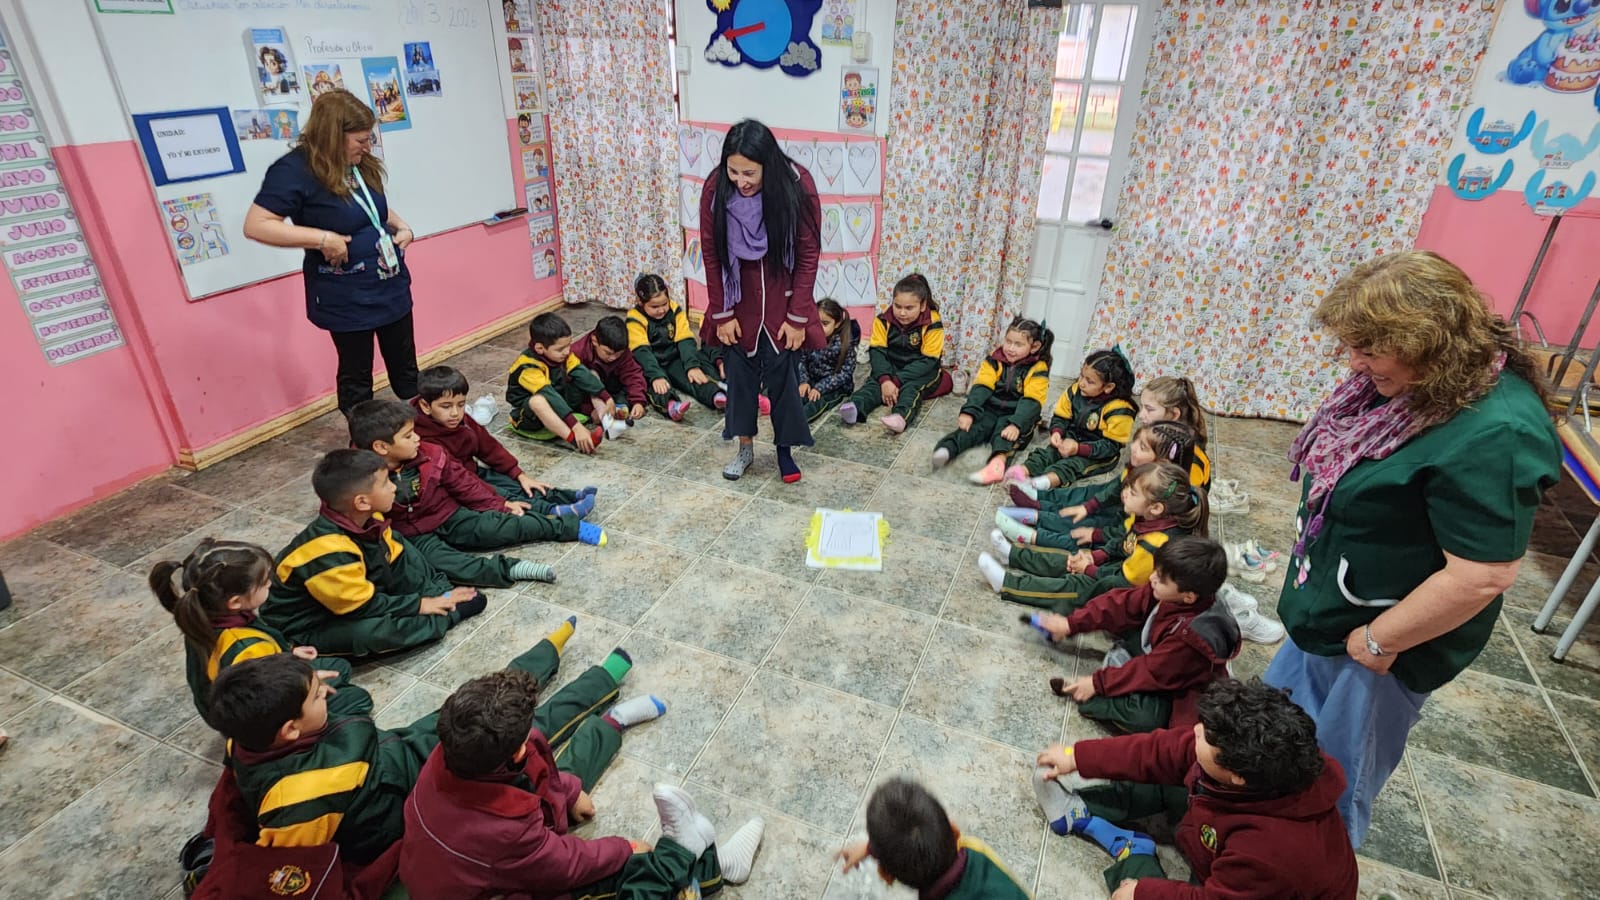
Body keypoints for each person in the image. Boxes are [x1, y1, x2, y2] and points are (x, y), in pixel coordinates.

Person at [1262, 250, 1560, 846]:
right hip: (1330, 612)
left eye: (1370, 349)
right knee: (1271, 745)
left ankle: (1306, 868)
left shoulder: (1497, 432)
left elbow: (1483, 576)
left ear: (1427, 342)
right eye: (1352, 347)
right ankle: (1259, 836)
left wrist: (1378, 641)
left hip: (1377, 644)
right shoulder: (1414, 384)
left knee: (1329, 781)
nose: (1355, 362)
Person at [207, 619, 653, 865]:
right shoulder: (301, 801)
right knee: (532, 731)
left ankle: (546, 652)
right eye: (316, 695)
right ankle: (602, 685)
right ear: (289, 729)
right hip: (423, 784)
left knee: (484, 695)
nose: (327, 691)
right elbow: (287, 870)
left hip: (401, 749)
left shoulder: (249, 741)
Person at [399, 668, 766, 898]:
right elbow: (564, 864)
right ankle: (696, 858)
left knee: (562, 778)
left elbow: (541, 766)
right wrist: (624, 849)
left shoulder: (455, 749)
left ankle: (611, 723)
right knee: (631, 873)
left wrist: (570, 793)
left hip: (481, 858)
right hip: (493, 884)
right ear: (514, 753)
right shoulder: (504, 833)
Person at [1032, 678, 1358, 899]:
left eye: (1206, 736)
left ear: (1237, 775)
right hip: (1228, 853)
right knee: (1174, 772)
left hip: (1247, 888)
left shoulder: (1269, 854)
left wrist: (1142, 892)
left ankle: (1134, 855)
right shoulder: (1260, 762)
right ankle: (1082, 810)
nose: (1197, 730)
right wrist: (1078, 757)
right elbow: (1163, 751)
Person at [245, 90, 418, 417]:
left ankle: (424, 429)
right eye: (360, 140)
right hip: (346, 293)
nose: (367, 147)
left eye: (369, 139)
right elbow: (257, 225)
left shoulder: (358, 163)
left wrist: (402, 225)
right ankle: (364, 438)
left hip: (389, 282)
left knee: (405, 365)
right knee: (357, 373)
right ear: (333, 135)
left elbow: (370, 207)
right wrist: (323, 239)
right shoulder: (294, 170)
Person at [349, 400, 602, 589]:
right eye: (407, 436)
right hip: (411, 536)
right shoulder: (356, 477)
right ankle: (513, 569)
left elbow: (465, 484)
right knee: (448, 564)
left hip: (449, 515)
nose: (417, 438)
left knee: (503, 525)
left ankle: (569, 526)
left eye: (414, 431)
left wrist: (501, 505)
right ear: (381, 447)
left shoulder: (431, 452)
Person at [263, 449, 487, 657]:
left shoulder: (373, 518)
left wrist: (437, 595)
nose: (393, 487)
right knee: (371, 633)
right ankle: (444, 617)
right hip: (312, 625)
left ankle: (443, 603)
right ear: (362, 502)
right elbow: (361, 608)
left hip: (352, 600)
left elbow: (400, 565)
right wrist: (420, 605)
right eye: (385, 483)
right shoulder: (327, 552)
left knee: (403, 548)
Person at [699, 119, 825, 484]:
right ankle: (745, 449)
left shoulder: (797, 186)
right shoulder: (715, 189)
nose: (741, 181)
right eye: (734, 171)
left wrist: (798, 316)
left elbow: (808, 254)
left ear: (768, 163)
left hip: (783, 303)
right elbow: (711, 254)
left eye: (750, 173)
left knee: (785, 380)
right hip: (738, 302)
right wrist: (722, 313)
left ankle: (784, 451)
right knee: (739, 381)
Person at [1025, 537, 1239, 734]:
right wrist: (1071, 624)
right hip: (1159, 654)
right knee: (1117, 609)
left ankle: (1095, 700)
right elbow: (1122, 604)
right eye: (1156, 571)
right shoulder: (1171, 590)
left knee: (1146, 719)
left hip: (1177, 685)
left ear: (1189, 597)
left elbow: (1151, 671)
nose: (1152, 578)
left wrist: (1097, 684)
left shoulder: (1190, 639)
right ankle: (1117, 672)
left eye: (1161, 578)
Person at [151, 538, 355, 719]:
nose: (270, 584)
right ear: (235, 602)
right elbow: (270, 695)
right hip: (259, 714)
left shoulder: (201, 620)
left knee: (338, 666)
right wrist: (310, 684)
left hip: (229, 705)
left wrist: (290, 653)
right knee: (355, 698)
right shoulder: (245, 646)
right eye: (264, 583)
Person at [980, 461, 1207, 611]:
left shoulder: (1157, 544)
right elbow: (1123, 543)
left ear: (1156, 508)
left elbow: (1120, 584)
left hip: (1126, 596)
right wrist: (1095, 557)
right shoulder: (1149, 518)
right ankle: (1013, 556)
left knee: (1075, 586)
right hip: (1122, 569)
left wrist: (1089, 570)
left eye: (1132, 492)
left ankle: (1008, 584)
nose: (1124, 493)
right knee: (1071, 560)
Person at [409, 365, 597, 510]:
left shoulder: (460, 420)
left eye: (461, 404)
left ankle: (563, 496)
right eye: (446, 406)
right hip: (455, 487)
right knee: (502, 494)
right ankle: (552, 510)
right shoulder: (418, 435)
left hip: (473, 471)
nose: (455, 413)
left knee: (516, 483)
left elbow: (488, 446)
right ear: (425, 406)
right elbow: (456, 480)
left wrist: (519, 474)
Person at [836, 778, 1028, 898]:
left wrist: (881, 852)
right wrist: (873, 849)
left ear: (887, 876)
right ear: (954, 829)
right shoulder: (976, 849)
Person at [933, 316, 1052, 485]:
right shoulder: (995, 359)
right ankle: (946, 450)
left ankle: (996, 466)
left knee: (1004, 438)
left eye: (1018, 344)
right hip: (991, 408)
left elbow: (1032, 401)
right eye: (1008, 341)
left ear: (1034, 347)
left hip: (1016, 415)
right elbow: (982, 386)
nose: (1010, 348)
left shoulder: (1038, 368)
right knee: (971, 429)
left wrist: (1016, 424)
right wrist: (969, 411)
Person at [1006, 349, 1137, 491]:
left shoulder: (1120, 409)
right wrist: (1057, 432)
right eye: (1081, 376)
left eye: (1090, 381)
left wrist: (1078, 449)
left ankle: (1039, 485)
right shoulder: (1074, 391)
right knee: (1047, 454)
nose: (1081, 383)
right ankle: (1021, 472)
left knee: (1070, 465)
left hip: (1098, 453)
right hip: (1071, 438)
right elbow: (1061, 416)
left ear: (1108, 387)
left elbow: (1111, 446)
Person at [839, 273, 953, 434]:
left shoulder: (933, 324)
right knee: (873, 385)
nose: (902, 313)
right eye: (898, 306)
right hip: (892, 365)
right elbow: (877, 352)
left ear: (922, 306)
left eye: (909, 308)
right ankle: (855, 407)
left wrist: (896, 381)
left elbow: (928, 361)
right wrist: (885, 380)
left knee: (911, 389)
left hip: (921, 370)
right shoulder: (882, 320)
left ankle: (900, 417)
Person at [507, 313, 611, 453]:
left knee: (588, 375)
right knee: (537, 401)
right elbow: (548, 394)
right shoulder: (527, 367)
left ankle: (601, 414)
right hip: (529, 417)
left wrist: (607, 397)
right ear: (540, 348)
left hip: (557, 399)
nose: (567, 352)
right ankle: (575, 440)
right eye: (560, 349)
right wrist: (576, 426)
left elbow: (581, 373)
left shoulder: (563, 355)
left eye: (568, 345)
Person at [628, 273, 725, 420]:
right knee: (656, 386)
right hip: (650, 363)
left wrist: (691, 366)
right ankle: (671, 406)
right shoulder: (634, 318)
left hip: (674, 359)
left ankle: (716, 396)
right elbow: (642, 352)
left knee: (696, 377)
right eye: (654, 307)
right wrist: (656, 376)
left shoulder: (675, 310)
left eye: (664, 304)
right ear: (641, 302)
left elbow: (685, 339)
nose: (661, 310)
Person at [572, 315, 650, 440]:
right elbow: (571, 387)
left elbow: (632, 374)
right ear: (594, 341)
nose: (613, 358)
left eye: (618, 354)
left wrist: (638, 401)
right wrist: (589, 410)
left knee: (640, 384)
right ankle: (606, 418)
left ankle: (613, 411)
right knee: (590, 375)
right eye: (608, 353)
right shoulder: (577, 353)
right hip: (585, 394)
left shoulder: (622, 352)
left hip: (610, 387)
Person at [1137, 376, 1212, 493]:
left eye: (1149, 409)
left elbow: (1182, 499)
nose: (1141, 415)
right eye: (1142, 407)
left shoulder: (1192, 462)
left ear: (1174, 414)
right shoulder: (1155, 436)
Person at [795, 297, 860, 422]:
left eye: (825, 323)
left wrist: (821, 387)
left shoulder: (845, 344)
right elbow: (801, 360)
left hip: (836, 387)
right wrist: (804, 381)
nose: (819, 328)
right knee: (799, 395)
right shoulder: (809, 338)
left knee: (818, 401)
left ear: (837, 323)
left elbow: (845, 374)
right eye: (815, 322)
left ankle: (799, 421)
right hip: (813, 380)